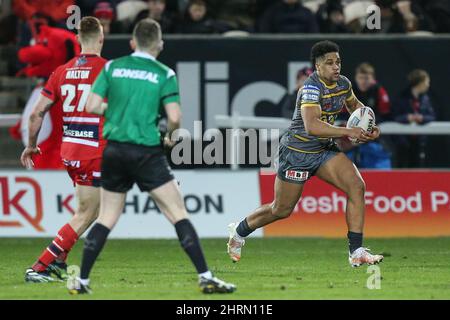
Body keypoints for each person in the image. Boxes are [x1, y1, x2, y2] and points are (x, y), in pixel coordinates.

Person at [70, 18, 236, 295]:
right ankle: (206, 277)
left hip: (113, 151)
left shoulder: (112, 66)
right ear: (159, 45)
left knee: (107, 217)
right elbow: (174, 116)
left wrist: (116, 114)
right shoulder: (164, 73)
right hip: (146, 152)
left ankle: (82, 280)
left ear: (132, 43)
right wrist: (170, 136)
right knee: (177, 212)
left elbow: (91, 105)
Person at [227, 40, 384, 268]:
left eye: (338, 62)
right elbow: (312, 126)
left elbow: (356, 108)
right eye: (329, 63)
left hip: (323, 150)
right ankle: (239, 231)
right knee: (281, 210)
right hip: (297, 152)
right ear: (317, 66)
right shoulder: (310, 89)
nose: (335, 67)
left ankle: (357, 251)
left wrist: (370, 127)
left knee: (357, 187)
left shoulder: (343, 83)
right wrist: (350, 131)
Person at [21, 16, 108, 282]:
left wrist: (31, 146)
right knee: (88, 212)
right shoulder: (108, 70)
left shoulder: (61, 71)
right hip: (93, 150)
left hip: (70, 150)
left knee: (87, 209)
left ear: (79, 39)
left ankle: (59, 261)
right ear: (101, 39)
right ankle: (40, 266)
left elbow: (37, 113)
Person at [342, 62, 392, 168]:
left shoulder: (378, 91)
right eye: (361, 78)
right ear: (356, 78)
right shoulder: (349, 91)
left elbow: (386, 114)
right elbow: (340, 114)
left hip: (373, 141)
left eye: (366, 78)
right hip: (350, 142)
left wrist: (367, 124)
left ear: (372, 79)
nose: (363, 81)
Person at [392, 69, 436, 168]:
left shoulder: (425, 99)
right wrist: (407, 118)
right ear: (419, 83)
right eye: (426, 82)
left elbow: (432, 116)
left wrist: (422, 118)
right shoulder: (401, 97)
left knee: (417, 172)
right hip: (403, 142)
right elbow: (394, 117)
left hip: (419, 142)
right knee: (401, 172)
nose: (428, 85)